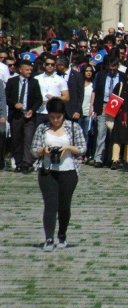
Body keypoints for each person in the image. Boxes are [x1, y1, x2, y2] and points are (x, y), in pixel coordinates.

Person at [31, 97, 86, 251]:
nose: (55, 120)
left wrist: (68, 148)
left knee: (64, 206)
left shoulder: (73, 127)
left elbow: (82, 148)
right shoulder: (42, 128)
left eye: (58, 117)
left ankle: (62, 235)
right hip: (47, 171)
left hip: (68, 171)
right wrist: (43, 150)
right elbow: (33, 150)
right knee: (50, 205)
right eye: (52, 117)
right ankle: (49, 239)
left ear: (63, 115)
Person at [6, 60, 43, 173]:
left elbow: (38, 99)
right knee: (16, 139)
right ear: (20, 70)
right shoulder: (12, 81)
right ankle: (18, 162)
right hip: (16, 115)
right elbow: (6, 97)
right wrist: (14, 104)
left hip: (29, 115)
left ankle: (27, 163)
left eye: (31, 70)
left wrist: (32, 110)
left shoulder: (34, 82)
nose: (29, 72)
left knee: (28, 139)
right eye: (27, 70)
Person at [91, 56, 126, 167]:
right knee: (101, 132)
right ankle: (98, 158)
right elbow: (95, 91)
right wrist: (93, 107)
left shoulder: (123, 76)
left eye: (114, 68)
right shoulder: (100, 75)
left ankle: (113, 158)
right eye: (110, 68)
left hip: (117, 107)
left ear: (117, 66)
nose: (112, 70)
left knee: (114, 134)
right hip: (103, 105)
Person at [34, 56, 70, 125]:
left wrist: (54, 98)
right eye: (47, 64)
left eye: (52, 64)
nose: (50, 66)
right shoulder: (36, 78)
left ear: (55, 66)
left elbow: (67, 98)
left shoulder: (61, 80)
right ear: (44, 65)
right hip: (39, 111)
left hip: (54, 113)